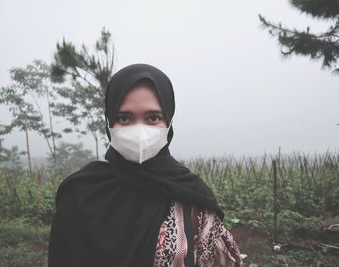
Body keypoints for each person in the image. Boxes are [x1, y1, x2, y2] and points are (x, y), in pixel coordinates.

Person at [48, 63, 243, 267]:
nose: (139, 130)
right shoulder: (80, 193)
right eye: (124, 118)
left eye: (152, 118)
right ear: (110, 124)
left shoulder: (191, 196)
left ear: (168, 123)